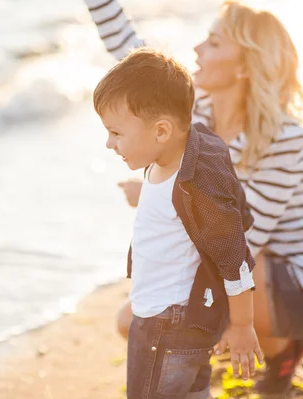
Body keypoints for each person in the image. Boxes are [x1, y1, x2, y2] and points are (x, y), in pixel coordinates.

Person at [84, 0, 303, 395]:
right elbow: (133, 58)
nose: (198, 49)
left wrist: (162, 201)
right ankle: (266, 346)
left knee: (150, 318)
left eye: (214, 42)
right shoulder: (195, 109)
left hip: (302, 279)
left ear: (243, 65)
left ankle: (281, 341)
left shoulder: (282, 137)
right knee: (147, 317)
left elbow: (243, 242)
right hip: (255, 261)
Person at [94, 47, 263, 399]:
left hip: (165, 325)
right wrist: (145, 194)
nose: (109, 143)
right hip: (180, 322)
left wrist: (243, 324)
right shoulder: (177, 155)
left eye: (116, 133)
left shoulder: (196, 182)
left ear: (160, 131)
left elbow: (234, 255)